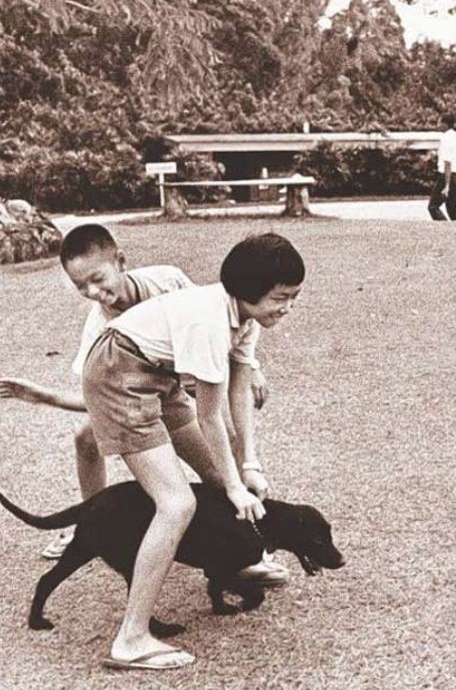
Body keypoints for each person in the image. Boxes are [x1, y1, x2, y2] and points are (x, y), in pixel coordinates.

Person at [0, 224, 282, 587]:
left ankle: (246, 552)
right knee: (86, 438)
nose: (93, 292)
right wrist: (45, 397)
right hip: (136, 397)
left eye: (98, 279)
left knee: (222, 453)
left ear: (120, 261)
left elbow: (222, 319)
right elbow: (100, 401)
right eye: (81, 286)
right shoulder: (99, 328)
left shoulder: (167, 281)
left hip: (179, 384)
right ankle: (93, 526)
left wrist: (250, 366)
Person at [75, 232, 304, 670]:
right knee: (177, 503)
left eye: (293, 297)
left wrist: (248, 466)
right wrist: (236, 487)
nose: (287, 307)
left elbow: (239, 390)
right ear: (248, 290)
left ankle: (236, 561)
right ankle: (131, 640)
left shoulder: (246, 320)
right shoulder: (209, 323)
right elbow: (210, 416)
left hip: (153, 374)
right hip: (117, 375)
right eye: (280, 297)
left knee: (220, 474)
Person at [428, 112, 456, 221]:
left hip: (448, 176)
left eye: (440, 122)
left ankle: (445, 227)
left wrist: (446, 186)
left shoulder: (446, 138)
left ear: (445, 124)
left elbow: (447, 163)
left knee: (433, 206)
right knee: (452, 208)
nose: (438, 125)